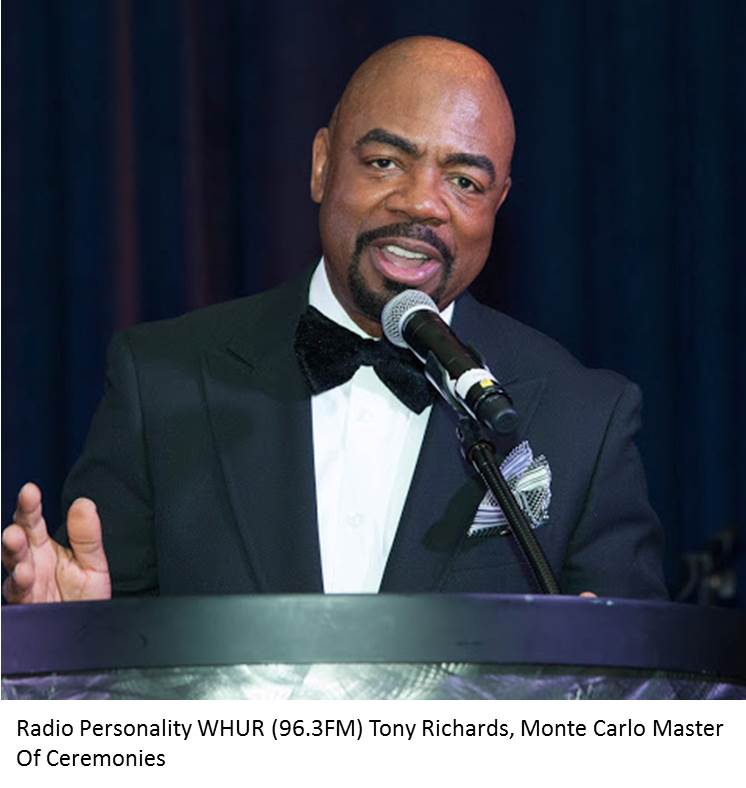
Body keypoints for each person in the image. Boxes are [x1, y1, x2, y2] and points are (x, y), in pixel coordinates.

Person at [1, 36, 667, 603]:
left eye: (464, 181)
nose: (422, 203)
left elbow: (639, 685)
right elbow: (105, 653)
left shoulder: (585, 423)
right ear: (322, 164)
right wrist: (67, 637)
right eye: (385, 162)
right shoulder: (161, 382)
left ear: (499, 202)